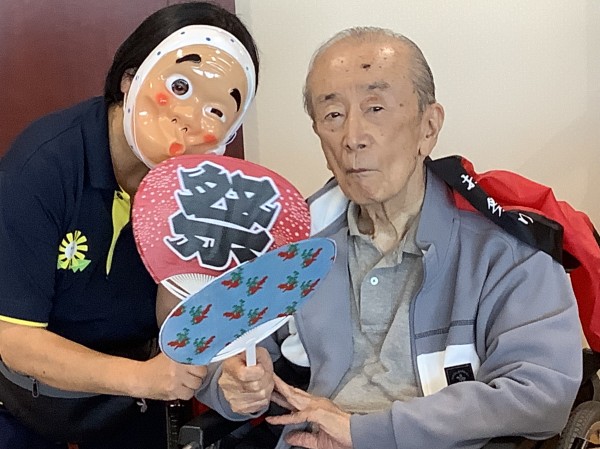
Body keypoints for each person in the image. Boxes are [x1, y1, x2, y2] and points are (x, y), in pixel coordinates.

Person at [195, 27, 583, 449]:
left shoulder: (505, 249)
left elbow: (542, 393)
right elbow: (221, 352)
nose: (353, 138)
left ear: (428, 127)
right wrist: (233, 384)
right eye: (333, 115)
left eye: (375, 108)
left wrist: (365, 433)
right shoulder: (296, 244)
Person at [0, 2, 259, 448]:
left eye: (217, 111)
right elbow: (15, 338)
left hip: (137, 398)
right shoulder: (41, 166)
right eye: (181, 87)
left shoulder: (205, 186)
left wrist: (229, 369)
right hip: (33, 396)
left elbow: (182, 306)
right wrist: (143, 378)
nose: (191, 119)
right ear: (129, 78)